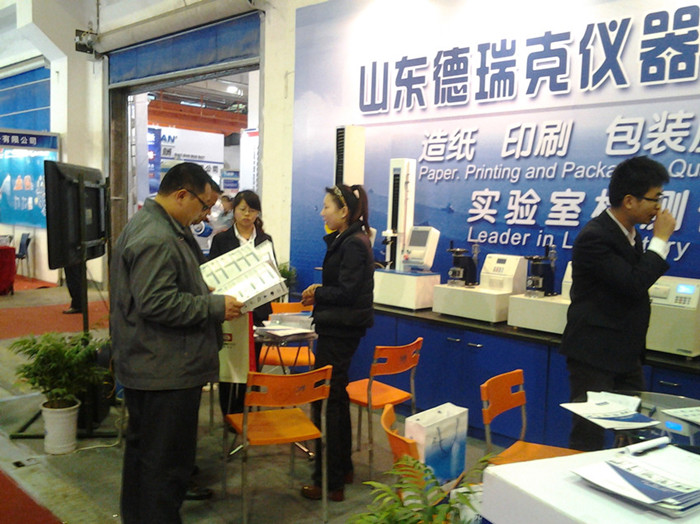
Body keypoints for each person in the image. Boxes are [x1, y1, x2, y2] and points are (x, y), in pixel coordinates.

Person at [110, 162, 244, 523]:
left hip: (156, 365)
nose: (206, 215)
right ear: (182, 195)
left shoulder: (160, 226)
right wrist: (213, 306)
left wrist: (199, 289)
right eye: (204, 206)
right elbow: (156, 303)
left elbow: (160, 289)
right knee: (165, 468)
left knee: (144, 460)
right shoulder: (157, 236)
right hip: (164, 371)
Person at [560, 156, 676, 451]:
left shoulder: (631, 236)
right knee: (589, 436)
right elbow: (633, 284)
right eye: (654, 198)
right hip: (594, 355)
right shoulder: (595, 237)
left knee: (633, 433)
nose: (658, 207)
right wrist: (661, 239)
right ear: (629, 201)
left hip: (625, 354)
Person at [300, 184, 374, 502]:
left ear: (344, 211)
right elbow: (345, 286)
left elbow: (347, 292)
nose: (322, 213)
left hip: (339, 331)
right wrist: (320, 290)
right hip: (340, 328)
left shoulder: (353, 243)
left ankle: (328, 482)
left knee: (327, 402)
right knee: (337, 398)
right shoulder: (349, 239)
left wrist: (318, 292)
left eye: (327, 207)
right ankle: (341, 469)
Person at [209, 190, 274, 416]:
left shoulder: (265, 240)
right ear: (234, 211)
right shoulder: (221, 240)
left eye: (252, 210)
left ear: (258, 213)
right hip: (231, 310)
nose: (247, 215)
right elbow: (214, 276)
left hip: (258, 311)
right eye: (242, 209)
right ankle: (230, 415)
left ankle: (248, 412)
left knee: (252, 365)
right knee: (229, 365)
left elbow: (271, 272)